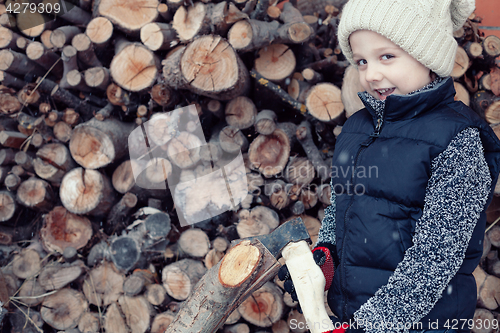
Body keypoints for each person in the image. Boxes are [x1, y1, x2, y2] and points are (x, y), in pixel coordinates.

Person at [279, 0, 500, 332]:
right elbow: (345, 207)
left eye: (387, 57)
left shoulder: (456, 140)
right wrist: (326, 259)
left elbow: (436, 258)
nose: (372, 74)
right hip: (353, 315)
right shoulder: (357, 129)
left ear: (426, 55)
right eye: (362, 61)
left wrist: (371, 326)